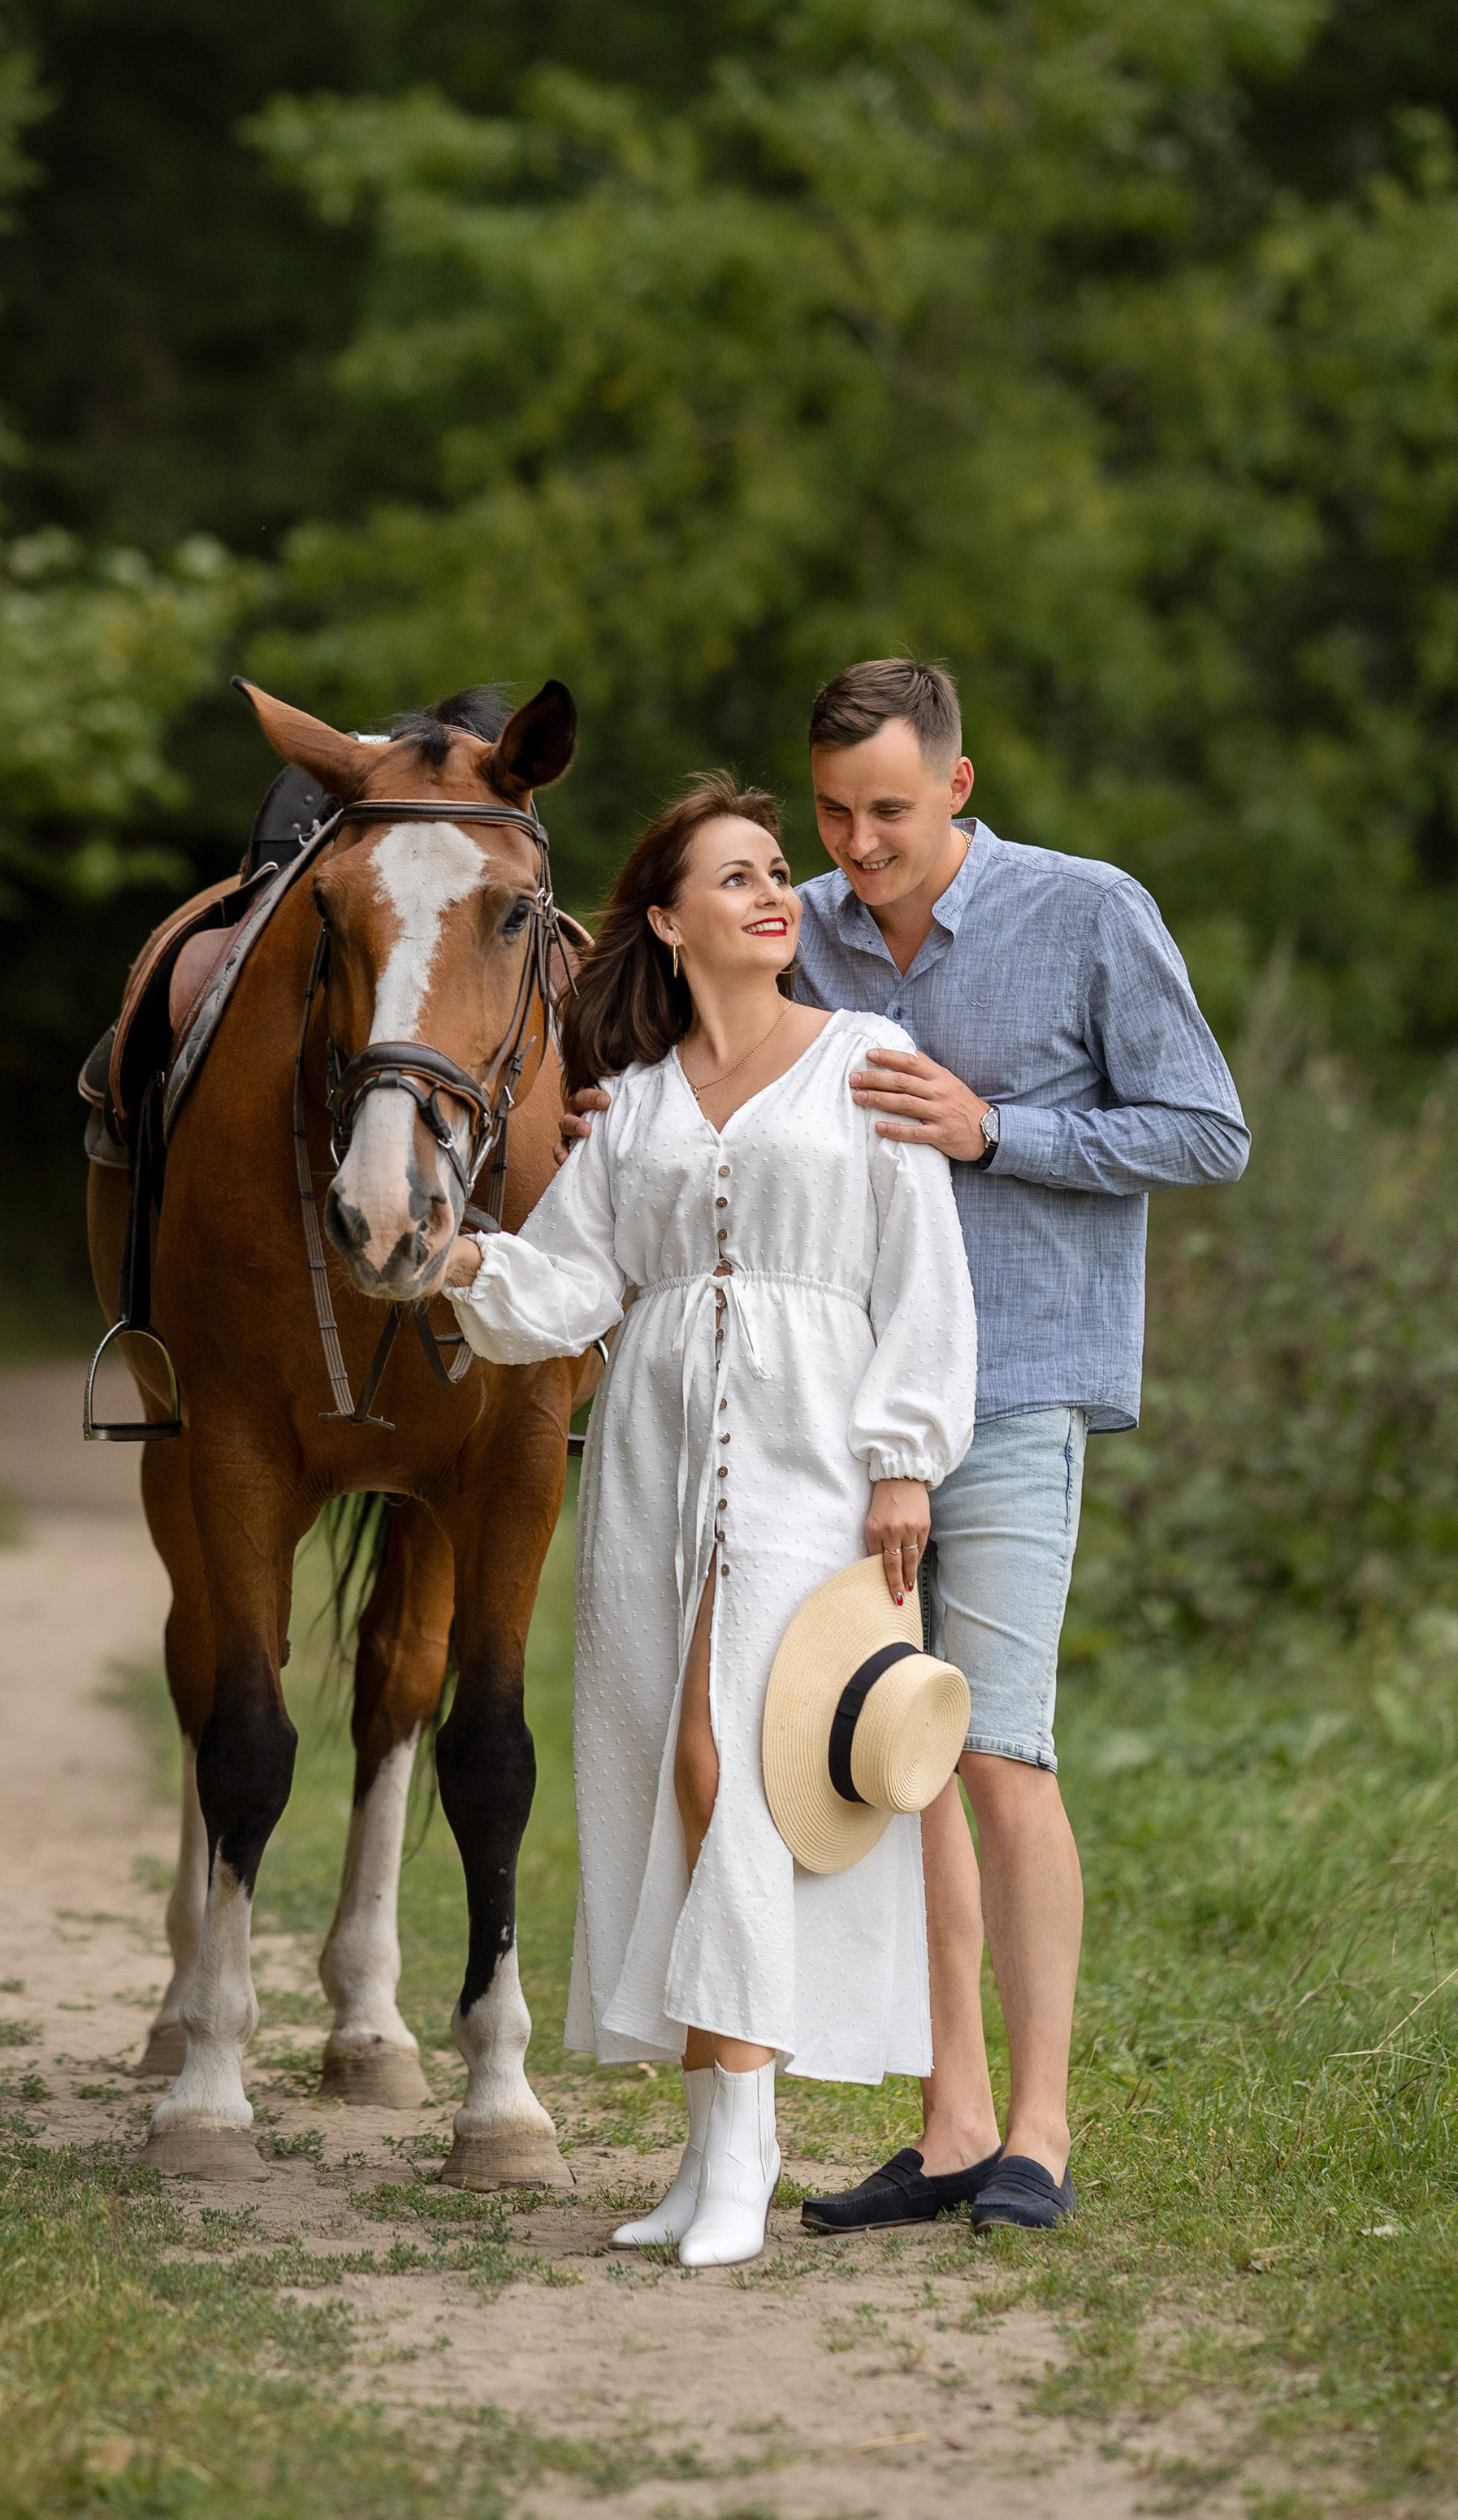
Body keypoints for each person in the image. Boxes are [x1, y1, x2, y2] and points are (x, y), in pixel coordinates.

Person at [562, 663, 1250, 2234]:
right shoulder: (791, 914)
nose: (854, 848)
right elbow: (698, 1049)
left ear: (956, 782)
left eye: (887, 810)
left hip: (1007, 1391)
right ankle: (946, 2129)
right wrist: (624, 1128)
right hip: (815, 1428)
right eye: (832, 812)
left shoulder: (1087, 913)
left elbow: (1208, 1129)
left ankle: (1041, 2132)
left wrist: (996, 1127)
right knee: (886, 1763)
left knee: (997, 1750)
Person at [441, 774, 978, 2267]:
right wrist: (460, 1259)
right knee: (669, 1771)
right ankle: (708, 2147)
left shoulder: (868, 1057)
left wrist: (904, 1460)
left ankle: (744, 2147)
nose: (771, 893)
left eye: (776, 873)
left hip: (816, 1463)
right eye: (732, 877)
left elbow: (921, 1270)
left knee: (738, 1765)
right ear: (669, 923)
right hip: (656, 1469)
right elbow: (567, 1290)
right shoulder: (641, 1109)